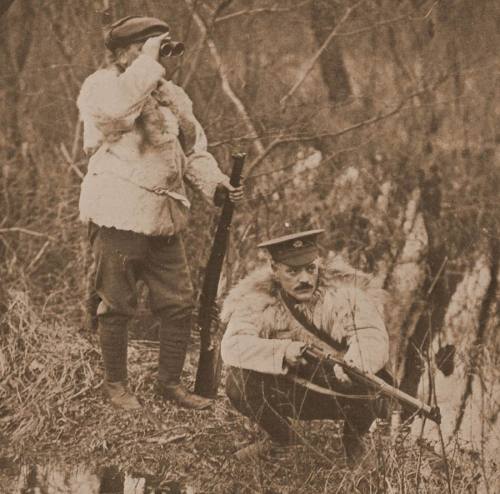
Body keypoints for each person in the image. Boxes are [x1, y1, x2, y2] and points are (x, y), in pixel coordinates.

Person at [77, 15, 243, 411]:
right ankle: (116, 385)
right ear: (123, 52)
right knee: (116, 303)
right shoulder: (102, 87)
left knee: (179, 302)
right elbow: (117, 114)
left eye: (163, 47)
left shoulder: (172, 96)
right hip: (118, 210)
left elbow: (192, 150)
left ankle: (168, 383)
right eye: (148, 46)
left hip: (164, 215)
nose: (159, 55)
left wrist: (216, 186)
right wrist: (147, 66)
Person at [220, 229, 390, 463]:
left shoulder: (345, 294)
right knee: (237, 382)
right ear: (274, 270)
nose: (305, 279)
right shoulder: (257, 299)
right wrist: (282, 352)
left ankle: (354, 439)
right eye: (293, 271)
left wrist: (356, 363)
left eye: (310, 269)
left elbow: (371, 335)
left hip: (338, 388)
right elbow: (233, 344)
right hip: (290, 389)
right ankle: (282, 439)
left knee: (373, 380)